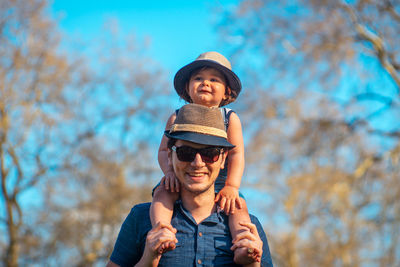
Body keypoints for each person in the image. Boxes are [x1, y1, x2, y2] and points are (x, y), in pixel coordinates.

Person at [107, 104, 273, 267]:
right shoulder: (140, 217)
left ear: (223, 159)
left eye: (210, 154)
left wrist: (252, 265)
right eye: (186, 153)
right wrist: (149, 259)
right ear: (170, 156)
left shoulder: (249, 228)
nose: (197, 163)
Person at [151, 51, 255, 264]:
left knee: (238, 207)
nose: (205, 83)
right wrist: (170, 172)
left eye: (214, 79)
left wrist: (232, 186)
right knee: (162, 193)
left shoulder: (230, 119)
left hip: (219, 182)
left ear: (227, 91)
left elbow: (236, 153)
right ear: (187, 87)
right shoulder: (177, 116)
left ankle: (242, 243)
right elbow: (164, 150)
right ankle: (162, 230)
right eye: (198, 78)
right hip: (184, 179)